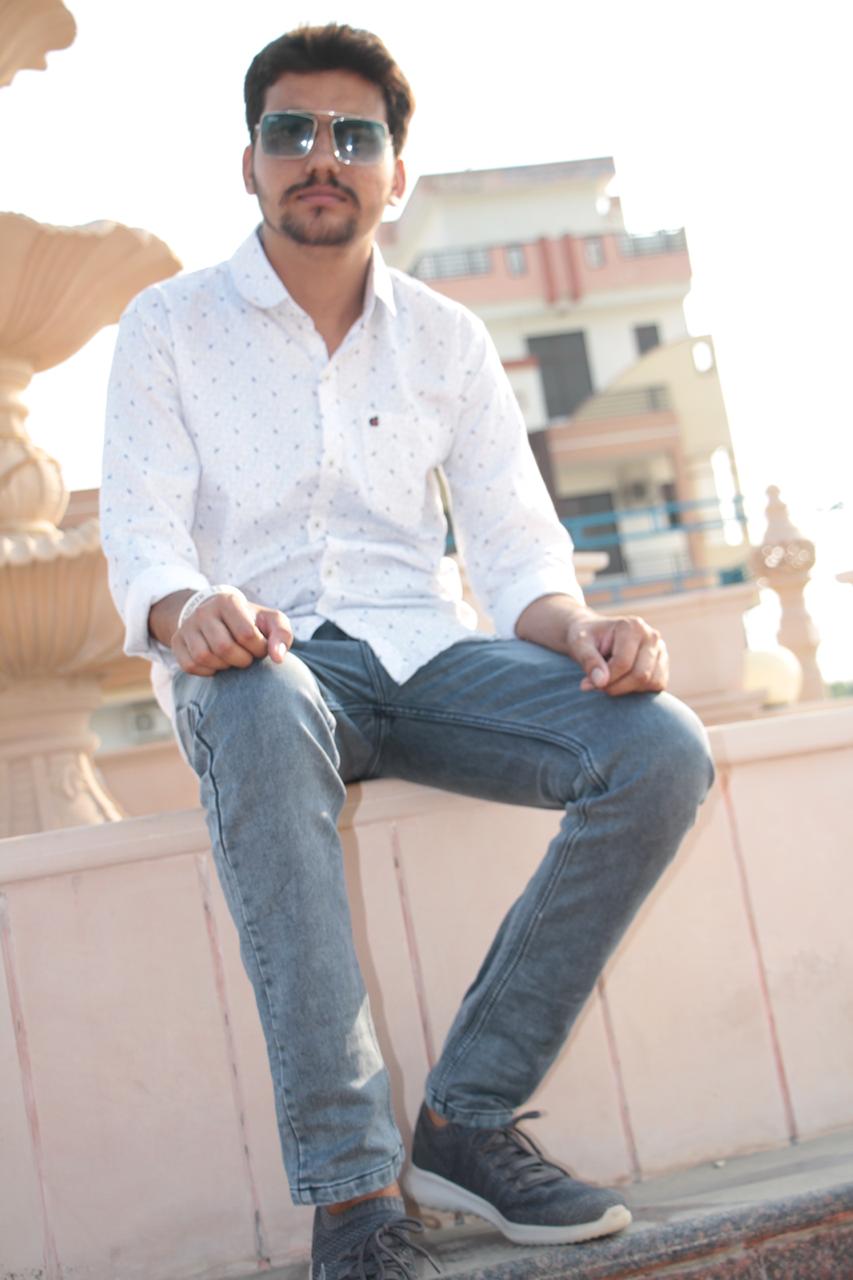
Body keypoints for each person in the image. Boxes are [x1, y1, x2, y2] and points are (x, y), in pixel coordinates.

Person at [101, 23, 714, 1280]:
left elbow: (516, 551)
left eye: (354, 135)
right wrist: (184, 610)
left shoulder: (446, 338)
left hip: (424, 653)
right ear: (250, 161)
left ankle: (468, 1123)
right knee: (258, 696)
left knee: (660, 745)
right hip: (258, 661)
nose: (320, 156)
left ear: (394, 173)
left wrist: (584, 629)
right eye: (291, 130)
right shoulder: (167, 325)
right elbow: (143, 540)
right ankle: (353, 1195)